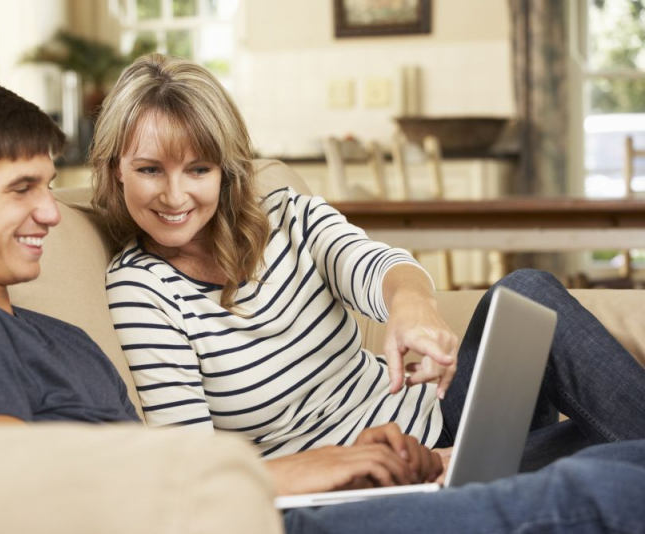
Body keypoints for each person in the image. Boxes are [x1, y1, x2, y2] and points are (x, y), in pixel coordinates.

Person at [0, 73, 645, 533]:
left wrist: (406, 332)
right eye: (23, 190)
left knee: (611, 455)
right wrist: (335, 466)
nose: (49, 213)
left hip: (310, 485)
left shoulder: (32, 323)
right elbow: (25, 483)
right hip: (264, 518)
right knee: (608, 484)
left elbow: (155, 462)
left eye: (47, 186)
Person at [92, 53, 645, 470]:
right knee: (612, 448)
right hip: (379, 475)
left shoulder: (286, 214)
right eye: (149, 170)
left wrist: (413, 307)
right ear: (116, 167)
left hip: (446, 416)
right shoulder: (143, 291)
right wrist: (355, 467)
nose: (175, 195)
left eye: (197, 170)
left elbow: (373, 262)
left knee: (528, 291)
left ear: (225, 169)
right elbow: (197, 470)